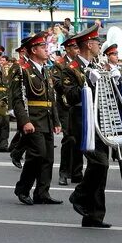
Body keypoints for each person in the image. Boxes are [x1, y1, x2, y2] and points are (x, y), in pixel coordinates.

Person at [63, 26, 113, 227]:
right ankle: (79, 194)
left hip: (101, 120)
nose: (100, 45)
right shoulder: (71, 69)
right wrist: (88, 83)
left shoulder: (98, 65)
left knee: (101, 168)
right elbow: (70, 96)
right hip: (83, 122)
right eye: (97, 42)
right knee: (100, 164)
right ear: (89, 44)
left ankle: (94, 215)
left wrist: (114, 80)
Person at [10, 32, 63, 206]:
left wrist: (56, 121)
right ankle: (23, 189)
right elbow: (18, 99)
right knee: (37, 155)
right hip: (33, 118)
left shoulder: (45, 70)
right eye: (42, 47)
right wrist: (24, 121)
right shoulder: (22, 70)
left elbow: (51, 99)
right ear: (33, 50)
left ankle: (42, 192)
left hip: (46, 119)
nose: (46, 50)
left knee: (48, 158)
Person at [54, 36, 83, 186]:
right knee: (69, 139)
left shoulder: (79, 63)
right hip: (65, 106)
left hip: (77, 105)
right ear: (67, 49)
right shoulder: (60, 64)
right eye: (74, 48)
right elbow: (56, 82)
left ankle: (77, 172)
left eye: (78, 47)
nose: (77, 50)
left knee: (78, 139)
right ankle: (64, 173)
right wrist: (67, 89)